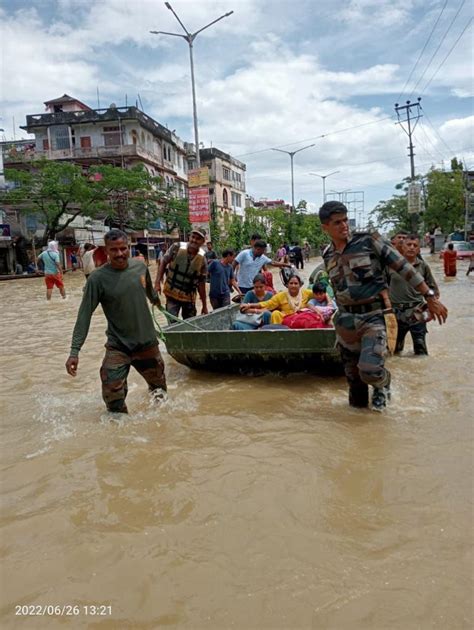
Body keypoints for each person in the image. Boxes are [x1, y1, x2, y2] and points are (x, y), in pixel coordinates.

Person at [319, 201, 448, 411]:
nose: (344, 225)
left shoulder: (369, 241)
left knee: (370, 371)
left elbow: (404, 267)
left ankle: (384, 382)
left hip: (373, 317)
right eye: (337, 223)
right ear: (325, 227)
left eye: (345, 220)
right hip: (345, 322)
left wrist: (430, 297)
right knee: (356, 393)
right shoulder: (328, 255)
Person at [65, 230, 166, 413]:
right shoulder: (97, 279)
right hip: (118, 346)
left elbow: (149, 290)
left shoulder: (140, 268)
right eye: (114, 250)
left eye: (123, 248)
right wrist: (74, 350)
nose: (120, 254)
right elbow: (84, 315)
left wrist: (156, 301)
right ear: (107, 252)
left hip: (147, 343)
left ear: (128, 248)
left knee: (160, 392)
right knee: (113, 397)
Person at [389, 234, 439, 355]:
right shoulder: (392, 265)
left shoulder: (423, 266)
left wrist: (431, 307)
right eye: (409, 245)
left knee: (420, 349)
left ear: (419, 249)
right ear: (403, 247)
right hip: (396, 312)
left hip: (417, 311)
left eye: (415, 245)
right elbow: (382, 287)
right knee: (395, 350)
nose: (411, 247)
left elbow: (433, 290)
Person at [155, 229, 208, 319]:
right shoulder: (176, 247)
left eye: (198, 239)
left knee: (190, 323)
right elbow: (163, 262)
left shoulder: (203, 260)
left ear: (202, 242)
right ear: (189, 237)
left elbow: (201, 284)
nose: (194, 240)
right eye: (193, 237)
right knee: (172, 322)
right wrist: (157, 283)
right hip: (172, 293)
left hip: (189, 298)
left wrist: (204, 305)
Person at [242, 274, 313, 324]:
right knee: (275, 314)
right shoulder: (281, 295)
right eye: (291, 283)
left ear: (300, 285)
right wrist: (250, 305)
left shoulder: (307, 293)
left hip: (302, 319)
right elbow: (268, 304)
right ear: (287, 285)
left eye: (296, 283)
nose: (293, 286)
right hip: (286, 320)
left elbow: (319, 294)